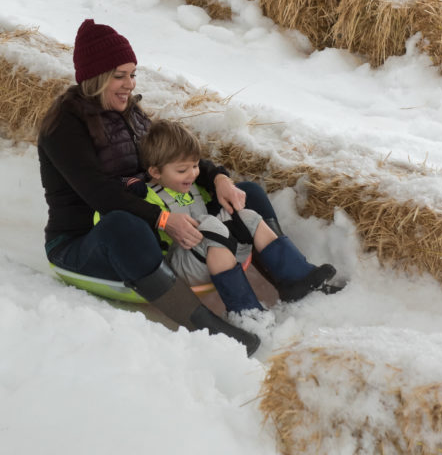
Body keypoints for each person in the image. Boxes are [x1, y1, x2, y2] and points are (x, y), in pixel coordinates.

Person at [39, 18, 292, 356]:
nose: (129, 84)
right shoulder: (63, 128)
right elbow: (98, 194)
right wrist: (162, 219)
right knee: (123, 225)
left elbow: (172, 158)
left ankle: (294, 281)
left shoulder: (130, 114)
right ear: (95, 78)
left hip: (153, 236)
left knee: (248, 195)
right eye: (119, 75)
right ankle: (206, 324)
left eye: (132, 74)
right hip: (83, 245)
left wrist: (218, 178)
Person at [135, 120, 338, 314]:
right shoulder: (149, 198)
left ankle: (296, 277)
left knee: (246, 215)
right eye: (182, 170)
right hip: (182, 265)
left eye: (195, 166)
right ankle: (244, 309)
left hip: (213, 251)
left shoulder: (192, 186)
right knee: (211, 224)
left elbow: (219, 199)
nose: (192, 174)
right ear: (155, 172)